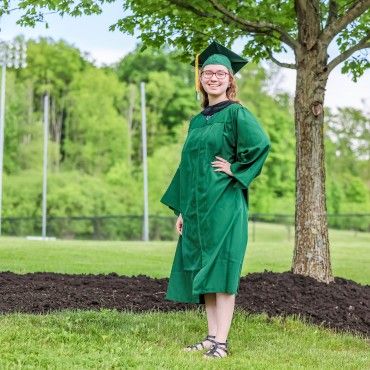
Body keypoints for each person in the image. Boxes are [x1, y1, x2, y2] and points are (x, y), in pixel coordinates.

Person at [160, 40, 271, 359]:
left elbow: (260, 145)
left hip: (224, 205)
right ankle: (210, 337)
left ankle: (221, 342)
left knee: (222, 271)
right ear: (201, 79)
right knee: (205, 272)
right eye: (208, 72)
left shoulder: (237, 114)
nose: (214, 77)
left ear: (230, 80)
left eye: (221, 73)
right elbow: (188, 167)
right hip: (198, 208)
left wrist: (235, 168)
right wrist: (182, 208)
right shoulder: (198, 121)